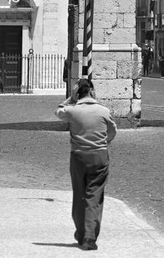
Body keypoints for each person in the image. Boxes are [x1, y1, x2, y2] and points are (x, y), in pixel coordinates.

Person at [56, 76, 117, 251]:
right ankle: (90, 237)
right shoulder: (103, 111)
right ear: (91, 91)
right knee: (94, 196)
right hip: (99, 156)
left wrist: (70, 98)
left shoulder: (72, 110)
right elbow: (112, 132)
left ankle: (81, 232)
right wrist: (103, 143)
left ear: (77, 93)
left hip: (78, 156)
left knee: (79, 194)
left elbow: (58, 111)